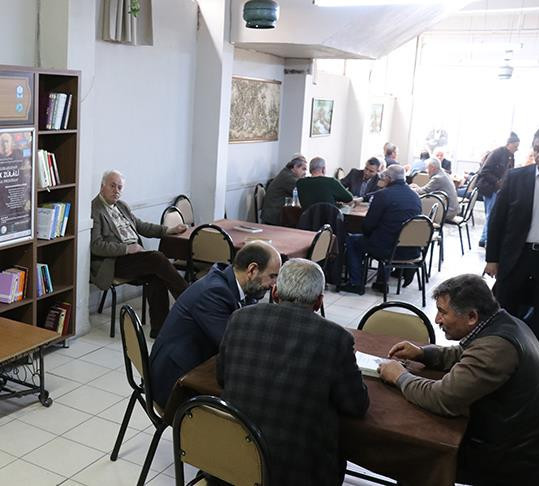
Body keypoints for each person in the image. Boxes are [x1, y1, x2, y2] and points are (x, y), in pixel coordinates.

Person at [378, 274, 539, 484]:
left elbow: (442, 398)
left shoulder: (497, 348)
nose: (437, 320)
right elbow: (466, 353)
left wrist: (400, 376)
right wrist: (422, 353)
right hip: (512, 439)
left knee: (415, 453)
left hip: (510, 458)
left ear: (472, 316)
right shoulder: (502, 324)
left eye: (443, 312)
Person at [218, 259, 369, 485]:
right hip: (298, 474)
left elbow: (222, 377)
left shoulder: (239, 318)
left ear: (275, 292)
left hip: (232, 462)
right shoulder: (336, 338)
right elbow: (356, 406)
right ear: (319, 301)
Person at [149, 241, 281, 407]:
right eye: (272, 276)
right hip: (174, 383)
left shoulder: (233, 284)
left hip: (193, 363)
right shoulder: (214, 293)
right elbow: (234, 346)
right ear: (252, 270)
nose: (274, 285)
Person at [90, 170, 188, 338]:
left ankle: (159, 330)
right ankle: (189, 299)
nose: (116, 191)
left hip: (134, 258)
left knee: (156, 275)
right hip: (114, 262)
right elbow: (96, 246)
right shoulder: (95, 209)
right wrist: (126, 249)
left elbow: (142, 226)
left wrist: (169, 230)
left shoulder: (122, 206)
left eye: (119, 187)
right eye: (112, 186)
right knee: (157, 258)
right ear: (102, 186)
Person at [485, 126, 539, 345]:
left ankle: (536, 357)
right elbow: (497, 220)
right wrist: (492, 259)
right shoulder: (517, 177)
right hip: (516, 256)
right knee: (505, 311)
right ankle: (501, 352)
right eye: (537, 149)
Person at [341, 165, 422, 294]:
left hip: (387, 249)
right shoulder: (415, 196)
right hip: (410, 249)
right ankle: (381, 282)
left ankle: (355, 283)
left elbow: (368, 225)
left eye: (383, 177)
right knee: (387, 235)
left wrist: (368, 234)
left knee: (353, 240)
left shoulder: (383, 195)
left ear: (389, 178)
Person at [478, 132, 520, 248]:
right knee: (491, 215)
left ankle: (484, 239)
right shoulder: (497, 152)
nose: (517, 149)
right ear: (509, 144)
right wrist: (498, 182)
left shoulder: (510, 156)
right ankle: (487, 240)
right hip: (490, 188)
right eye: (515, 146)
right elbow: (484, 171)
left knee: (490, 214)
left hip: (497, 189)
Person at [261, 155, 307, 225]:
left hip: (274, 213)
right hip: (274, 217)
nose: (305, 172)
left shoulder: (286, 173)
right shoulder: (289, 178)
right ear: (295, 167)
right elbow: (302, 193)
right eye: (303, 169)